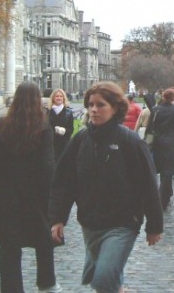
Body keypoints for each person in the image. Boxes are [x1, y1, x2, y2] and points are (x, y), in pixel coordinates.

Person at [48, 81, 163, 293]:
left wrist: (154, 224)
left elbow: (148, 183)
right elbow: (64, 182)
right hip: (90, 221)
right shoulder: (81, 140)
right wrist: (57, 218)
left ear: (115, 108)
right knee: (107, 281)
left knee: (102, 279)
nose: (93, 110)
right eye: (90, 104)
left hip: (123, 222)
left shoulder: (130, 141)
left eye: (100, 105)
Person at [0, 81, 61, 292]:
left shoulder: (2, 124)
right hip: (36, 194)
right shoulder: (43, 127)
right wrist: (51, 198)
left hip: (9, 194)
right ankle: (47, 284)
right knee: (43, 242)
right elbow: (47, 167)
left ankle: (11, 288)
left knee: (9, 246)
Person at [150, 88, 174, 210]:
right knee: (167, 171)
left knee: (162, 170)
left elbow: (150, 128)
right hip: (171, 143)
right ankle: (163, 199)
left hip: (157, 143)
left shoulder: (155, 110)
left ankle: (166, 194)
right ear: (173, 98)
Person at [47, 88, 74, 162]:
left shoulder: (68, 112)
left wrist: (64, 131)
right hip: (51, 144)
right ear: (53, 98)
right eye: (57, 96)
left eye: (61, 96)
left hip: (63, 144)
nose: (59, 98)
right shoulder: (47, 112)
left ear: (63, 98)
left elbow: (71, 129)